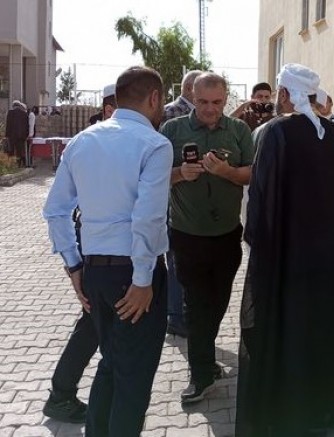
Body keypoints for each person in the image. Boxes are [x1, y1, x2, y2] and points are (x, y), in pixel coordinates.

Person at [235, 63, 334, 437]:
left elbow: (261, 202)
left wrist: (260, 248)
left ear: (284, 94)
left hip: (287, 265)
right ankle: (322, 410)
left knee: (288, 336)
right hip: (330, 264)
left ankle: (288, 413)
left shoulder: (276, 134)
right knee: (322, 334)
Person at [43, 66, 172, 436]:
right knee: (133, 379)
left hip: (95, 270)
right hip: (135, 273)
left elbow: (55, 210)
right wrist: (143, 279)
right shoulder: (155, 144)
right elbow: (147, 218)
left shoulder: (82, 141)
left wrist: (74, 265)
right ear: (154, 98)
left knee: (113, 364)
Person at [161, 72, 254, 404]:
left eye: (217, 102)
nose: (210, 110)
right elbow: (153, 174)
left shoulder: (239, 131)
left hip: (227, 235)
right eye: (203, 102)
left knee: (217, 302)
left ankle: (205, 360)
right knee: (196, 305)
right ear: (191, 96)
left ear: (226, 99)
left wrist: (227, 172)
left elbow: (252, 173)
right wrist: (179, 173)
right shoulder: (173, 130)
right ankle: (200, 374)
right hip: (187, 235)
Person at [161, 69, 203, 338]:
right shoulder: (170, 114)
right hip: (174, 197)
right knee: (176, 260)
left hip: (193, 202)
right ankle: (175, 315)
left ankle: (180, 311)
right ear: (190, 90)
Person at [5, 100, 29, 166]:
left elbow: (8, 124)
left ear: (13, 106)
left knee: (11, 150)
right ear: (19, 106)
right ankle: (19, 164)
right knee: (20, 150)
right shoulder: (24, 113)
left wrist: (6, 135)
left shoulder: (10, 113)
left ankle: (11, 164)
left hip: (12, 135)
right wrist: (26, 135)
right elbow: (27, 126)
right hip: (21, 136)